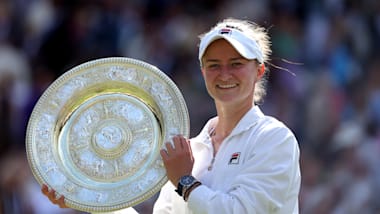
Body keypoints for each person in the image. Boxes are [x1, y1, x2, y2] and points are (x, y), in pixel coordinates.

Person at [42, 18, 301, 214]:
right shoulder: (189, 150)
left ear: (258, 71)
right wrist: (90, 196)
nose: (224, 74)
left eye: (236, 64)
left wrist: (185, 182)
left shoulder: (275, 139)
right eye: (214, 65)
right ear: (203, 72)